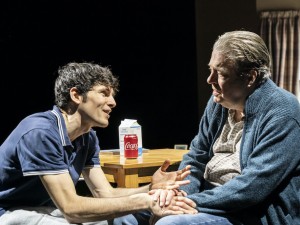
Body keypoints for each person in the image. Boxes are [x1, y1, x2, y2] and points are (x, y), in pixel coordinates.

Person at [113, 30, 300, 225]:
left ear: (250, 77)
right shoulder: (218, 101)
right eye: (210, 70)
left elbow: (253, 187)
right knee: (126, 215)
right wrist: (180, 195)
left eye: (220, 73)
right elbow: (196, 157)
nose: (209, 80)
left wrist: (188, 202)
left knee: (170, 223)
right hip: (207, 196)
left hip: (251, 212)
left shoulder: (282, 111)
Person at [0, 62, 197, 225]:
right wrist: (145, 201)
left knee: (129, 218)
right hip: (7, 211)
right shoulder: (40, 133)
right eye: (104, 93)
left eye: (112, 95)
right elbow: (71, 209)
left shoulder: (88, 137)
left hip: (47, 208)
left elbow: (105, 193)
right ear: (76, 95)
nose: (113, 102)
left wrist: (150, 188)